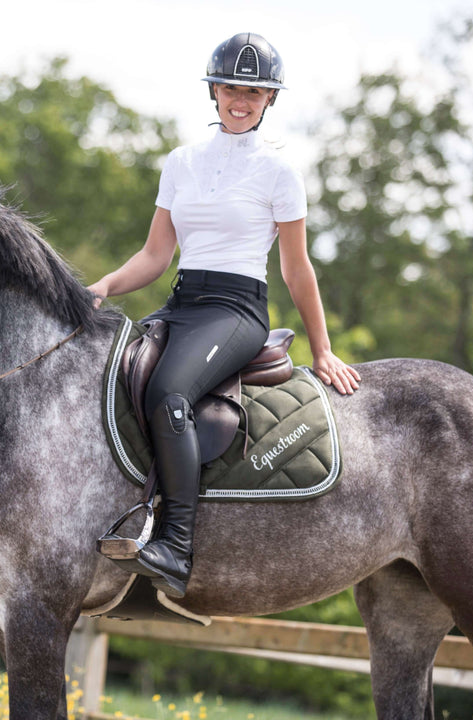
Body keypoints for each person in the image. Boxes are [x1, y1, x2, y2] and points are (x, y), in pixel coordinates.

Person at [87, 32, 361, 599]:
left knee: (169, 392)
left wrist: (324, 348)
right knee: (110, 381)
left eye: (255, 92)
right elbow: (156, 256)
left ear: (270, 101)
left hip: (235, 309)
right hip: (183, 301)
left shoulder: (279, 172)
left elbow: (296, 268)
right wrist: (107, 286)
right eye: (232, 88)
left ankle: (176, 545)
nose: (242, 100)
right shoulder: (181, 162)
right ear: (213, 91)